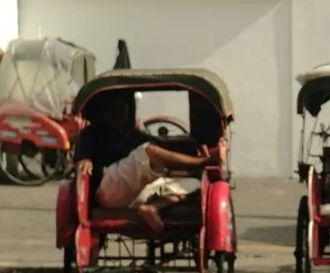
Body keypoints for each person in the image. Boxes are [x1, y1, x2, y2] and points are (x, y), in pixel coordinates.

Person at [74, 92, 223, 234]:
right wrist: (85, 159)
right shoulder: (93, 132)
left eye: (124, 106)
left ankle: (152, 207)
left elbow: (161, 143)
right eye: (117, 107)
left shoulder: (130, 133)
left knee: (194, 183)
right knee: (148, 151)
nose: (123, 111)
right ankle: (204, 162)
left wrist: (192, 145)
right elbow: (82, 155)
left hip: (132, 191)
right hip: (109, 185)